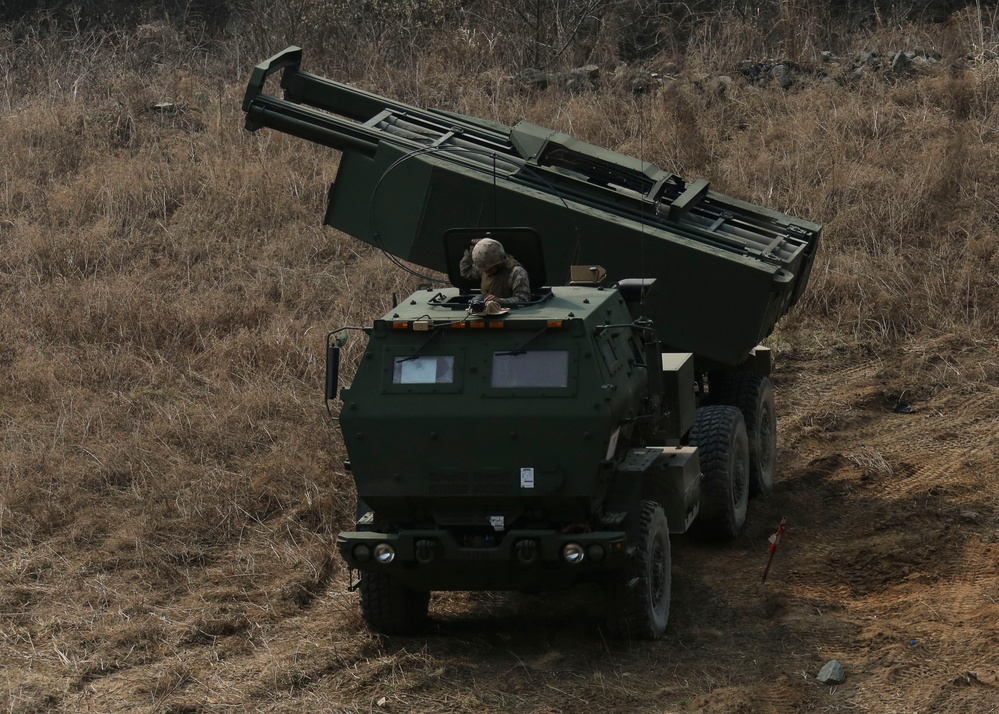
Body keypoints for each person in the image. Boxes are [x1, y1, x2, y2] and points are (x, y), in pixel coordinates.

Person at [459, 237, 531, 307]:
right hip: (487, 312)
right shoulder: (485, 267)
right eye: (484, 270)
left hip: (510, 313)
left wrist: (500, 301)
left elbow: (523, 300)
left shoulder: (516, 272)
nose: (486, 272)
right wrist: (472, 251)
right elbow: (466, 272)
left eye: (489, 269)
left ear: (498, 263)